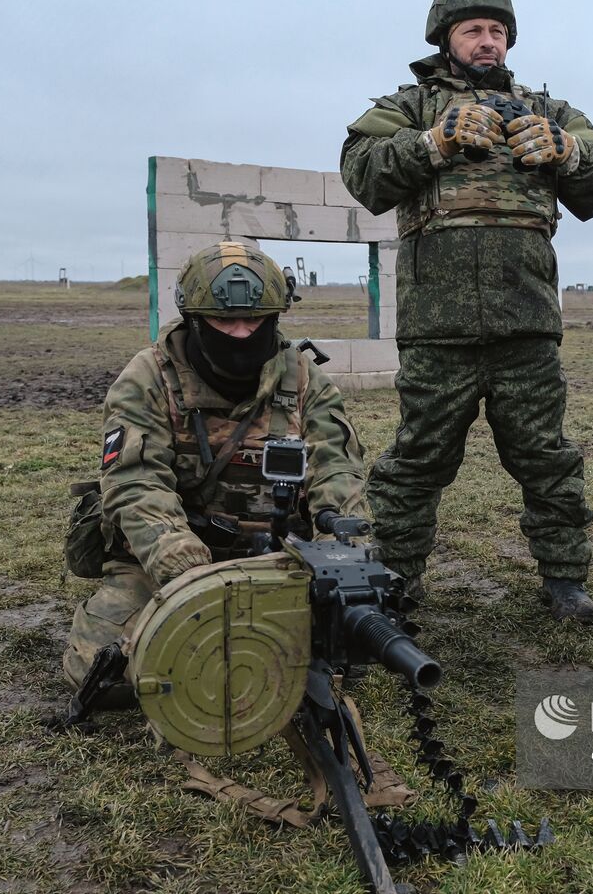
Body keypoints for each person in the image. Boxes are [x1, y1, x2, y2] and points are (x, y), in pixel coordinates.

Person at [339, 0, 593, 620]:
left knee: (546, 457)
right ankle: (398, 577)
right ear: (446, 38)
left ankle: (564, 578)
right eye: (473, 29)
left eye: (498, 30)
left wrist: (570, 154)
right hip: (437, 327)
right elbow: (362, 172)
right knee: (418, 458)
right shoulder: (408, 107)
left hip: (527, 323)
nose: (488, 40)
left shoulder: (549, 112)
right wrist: (433, 143)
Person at [62, 241, 367, 689]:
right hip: (173, 560)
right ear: (195, 320)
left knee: (331, 654)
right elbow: (136, 481)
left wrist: (343, 556)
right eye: (225, 321)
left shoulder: (304, 379)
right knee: (101, 669)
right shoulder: (148, 378)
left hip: (280, 556)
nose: (241, 334)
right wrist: (183, 567)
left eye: (255, 320)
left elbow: (336, 472)